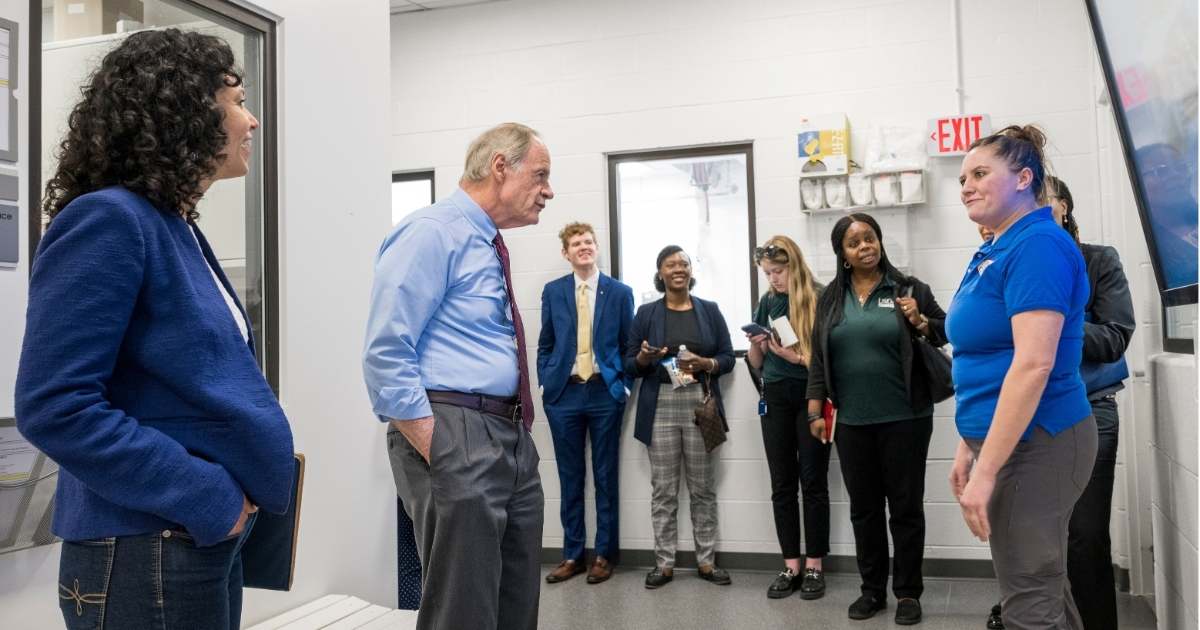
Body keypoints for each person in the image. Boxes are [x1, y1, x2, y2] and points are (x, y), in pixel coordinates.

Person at [14, 29, 294, 629]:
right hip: (148, 541)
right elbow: (55, 406)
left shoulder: (172, 225)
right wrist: (207, 496)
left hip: (185, 538)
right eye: (236, 100)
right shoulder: (108, 220)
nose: (251, 121)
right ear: (186, 114)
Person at [364, 122, 551, 630]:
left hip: (508, 436)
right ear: (499, 167)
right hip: (456, 431)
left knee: (515, 605)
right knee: (462, 610)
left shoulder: (485, 242)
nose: (548, 190)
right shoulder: (432, 231)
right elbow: (385, 351)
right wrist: (439, 447)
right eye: (540, 175)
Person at [947, 125, 1096, 630]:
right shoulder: (996, 247)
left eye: (980, 173)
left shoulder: (1037, 245)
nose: (965, 185)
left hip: (1041, 441)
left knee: (1029, 599)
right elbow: (984, 356)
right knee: (1043, 590)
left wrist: (987, 472)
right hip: (1007, 440)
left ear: (1023, 178)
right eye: (963, 177)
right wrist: (970, 447)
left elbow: (1033, 364)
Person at [984, 178, 1136, 630]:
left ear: (1063, 208)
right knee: (1035, 539)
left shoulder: (1097, 260)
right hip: (1026, 415)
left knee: (1084, 537)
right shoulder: (1005, 261)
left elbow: (1114, 338)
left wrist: (1050, 326)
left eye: (1038, 202)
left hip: (1087, 408)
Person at [806, 213, 947, 625]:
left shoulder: (909, 288)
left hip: (906, 416)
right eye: (855, 243)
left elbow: (942, 330)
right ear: (843, 254)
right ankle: (872, 591)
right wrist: (815, 409)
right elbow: (819, 358)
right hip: (852, 421)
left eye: (871, 238)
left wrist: (919, 319)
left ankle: (907, 594)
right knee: (864, 509)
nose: (865, 246)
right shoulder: (830, 298)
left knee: (905, 508)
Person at [624, 245, 736, 589]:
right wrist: (644, 357)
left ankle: (706, 562)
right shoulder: (646, 313)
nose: (679, 268)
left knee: (703, 489)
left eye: (684, 264)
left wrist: (707, 364)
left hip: (700, 405)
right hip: (660, 406)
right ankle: (664, 563)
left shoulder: (709, 310)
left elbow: (728, 357)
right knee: (664, 490)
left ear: (690, 271)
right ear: (660, 273)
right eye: (671, 264)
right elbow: (630, 364)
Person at [538, 222, 635, 585]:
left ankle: (605, 555)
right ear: (566, 253)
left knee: (606, 476)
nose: (584, 247)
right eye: (576, 244)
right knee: (570, 478)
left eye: (589, 242)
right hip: (563, 395)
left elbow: (629, 345)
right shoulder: (553, 291)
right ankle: (573, 554)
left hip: (604, 393)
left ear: (597, 248)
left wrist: (622, 387)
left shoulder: (619, 293)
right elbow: (545, 343)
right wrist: (546, 385)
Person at [745, 236, 831, 600]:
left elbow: (828, 364)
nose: (773, 280)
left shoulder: (821, 296)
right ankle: (790, 564)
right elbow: (758, 365)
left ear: (793, 265)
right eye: (767, 273)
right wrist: (757, 346)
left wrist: (795, 357)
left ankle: (814, 565)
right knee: (782, 484)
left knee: (812, 482)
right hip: (776, 396)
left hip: (811, 395)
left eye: (778, 272)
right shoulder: (768, 300)